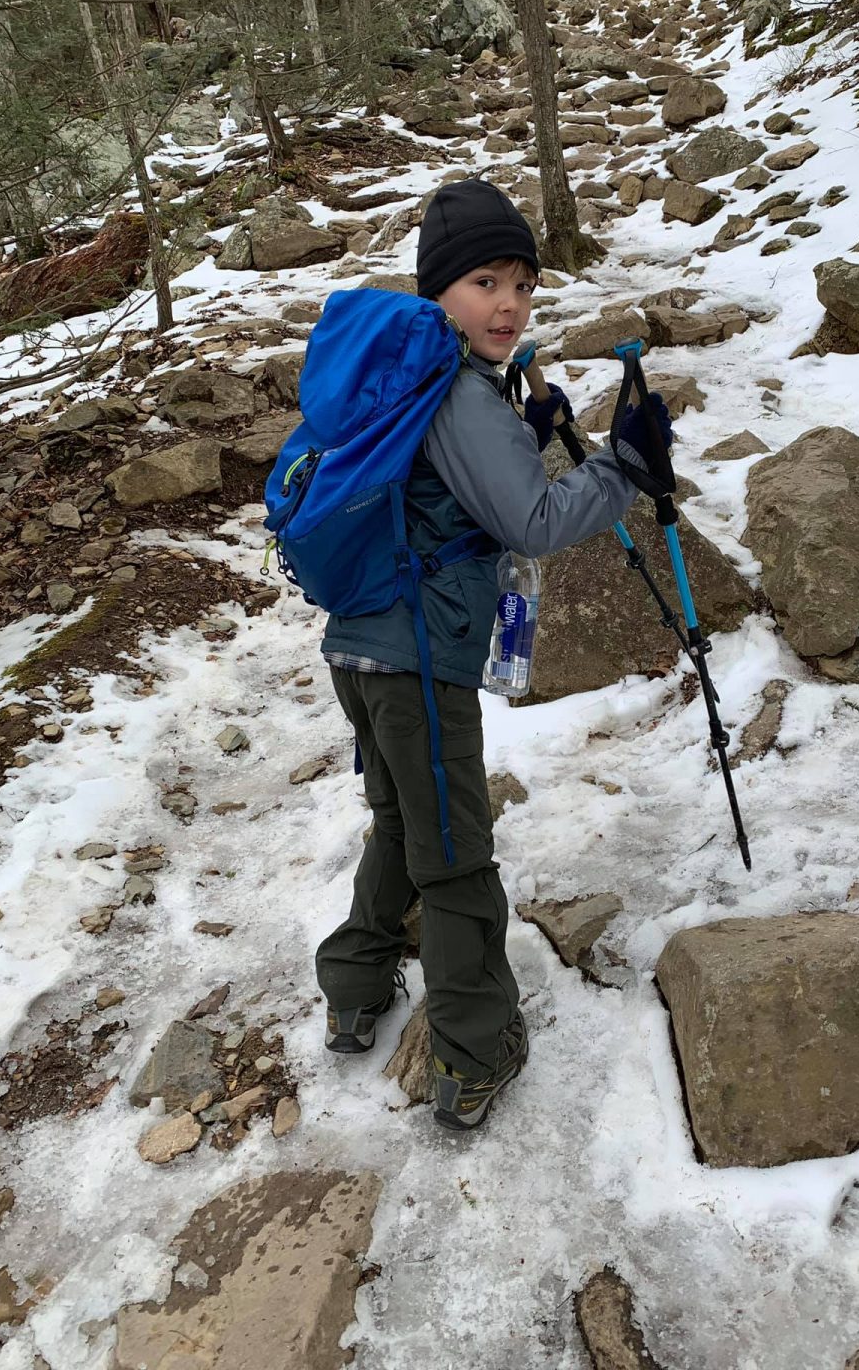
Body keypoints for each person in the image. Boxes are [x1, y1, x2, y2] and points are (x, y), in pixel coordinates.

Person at [315, 177, 673, 1132]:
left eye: (520, 282)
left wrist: (528, 434)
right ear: (441, 293)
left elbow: (454, 495)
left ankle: (353, 986)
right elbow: (533, 519)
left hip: (360, 646)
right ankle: (475, 1051)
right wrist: (626, 463)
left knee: (399, 822)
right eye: (484, 281)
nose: (509, 303)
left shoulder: (410, 379)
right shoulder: (452, 391)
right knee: (455, 855)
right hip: (420, 664)